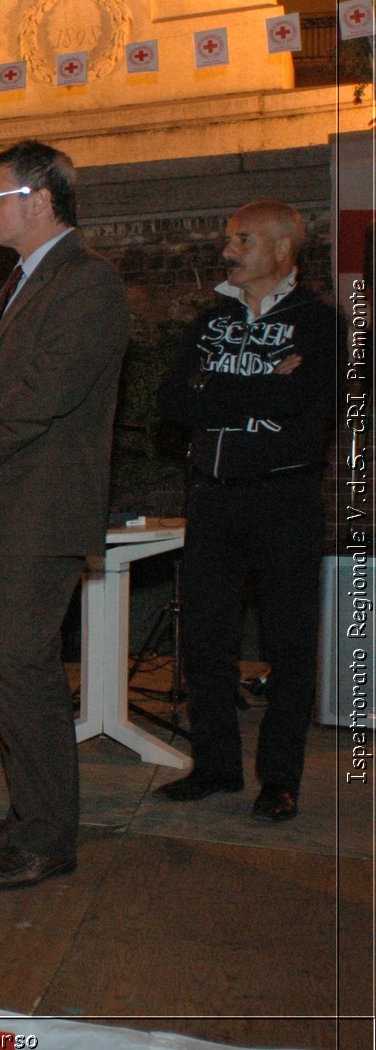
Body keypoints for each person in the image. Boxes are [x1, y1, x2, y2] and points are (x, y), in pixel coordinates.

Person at [0, 140, 129, 890]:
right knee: (9, 672)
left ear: (39, 199)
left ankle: (49, 837)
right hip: (3, 504)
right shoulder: (22, 280)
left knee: (25, 670)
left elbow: (46, 393)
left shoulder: (88, 283)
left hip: (38, 510)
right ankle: (28, 816)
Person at [154, 201, 336, 823]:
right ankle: (215, 766)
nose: (227, 249)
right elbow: (173, 400)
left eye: (242, 238)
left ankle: (280, 778)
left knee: (288, 645)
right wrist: (252, 389)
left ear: (284, 249)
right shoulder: (210, 320)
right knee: (205, 641)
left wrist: (216, 390)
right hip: (213, 497)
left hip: (284, 499)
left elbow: (296, 399)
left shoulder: (320, 323)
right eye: (227, 236)